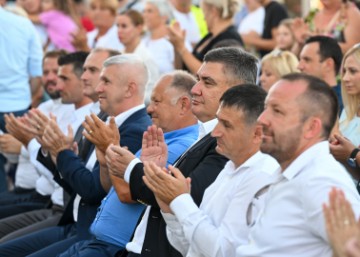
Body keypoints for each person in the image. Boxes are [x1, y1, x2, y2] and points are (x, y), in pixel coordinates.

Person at [107, 47, 258, 257]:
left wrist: (131, 167)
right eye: (198, 80)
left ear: (238, 91)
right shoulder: (205, 133)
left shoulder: (227, 144)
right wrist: (153, 170)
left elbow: (185, 197)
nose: (195, 89)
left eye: (208, 82)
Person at [0, 54, 152, 257]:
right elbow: (74, 184)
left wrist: (61, 152)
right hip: (73, 222)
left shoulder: (135, 130)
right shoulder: (104, 118)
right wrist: (55, 152)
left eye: (105, 81)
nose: (98, 88)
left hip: (90, 235)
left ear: (129, 89)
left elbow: (93, 190)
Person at [57, 70, 199, 257]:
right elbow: (110, 188)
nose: (149, 109)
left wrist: (110, 147)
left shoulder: (182, 146)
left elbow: (128, 194)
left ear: (183, 105)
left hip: (113, 248)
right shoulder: (159, 137)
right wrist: (107, 162)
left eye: (157, 101)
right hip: (96, 241)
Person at [142, 84, 279, 257]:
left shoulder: (261, 176)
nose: (215, 133)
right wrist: (170, 209)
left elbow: (222, 251)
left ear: (257, 133)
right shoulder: (230, 168)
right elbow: (190, 248)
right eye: (218, 121)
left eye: (226, 125)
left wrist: (180, 200)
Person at [236, 73, 360, 257]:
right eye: (265, 108)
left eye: (277, 111)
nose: (262, 119)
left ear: (311, 128)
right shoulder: (294, 172)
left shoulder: (322, 183)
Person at [0, 4, 43, 193]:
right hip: (18, 105)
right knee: (23, 170)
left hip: (19, 103)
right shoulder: (24, 24)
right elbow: (36, 73)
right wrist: (30, 98)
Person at [168, 0, 242, 74]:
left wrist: (182, 48)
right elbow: (180, 70)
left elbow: (210, 75)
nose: (203, 17)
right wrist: (177, 45)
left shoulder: (230, 39)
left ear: (213, 12)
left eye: (204, 11)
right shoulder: (210, 36)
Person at [330, 43, 360, 181]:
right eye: (344, 71)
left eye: (353, 71)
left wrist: (352, 153)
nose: (345, 78)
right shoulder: (348, 111)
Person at [117, 9, 160, 104]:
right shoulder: (118, 55)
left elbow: (152, 93)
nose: (119, 31)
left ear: (139, 28)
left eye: (124, 26)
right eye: (118, 26)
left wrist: (126, 99)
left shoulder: (146, 58)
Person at [292, 0, 360, 54]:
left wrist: (319, 40)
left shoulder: (351, 14)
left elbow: (354, 51)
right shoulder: (312, 15)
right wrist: (299, 42)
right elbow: (295, 56)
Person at [298, 36, 344, 113]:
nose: (299, 66)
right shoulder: (300, 97)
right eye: (300, 60)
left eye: (307, 60)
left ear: (328, 64)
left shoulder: (344, 104)